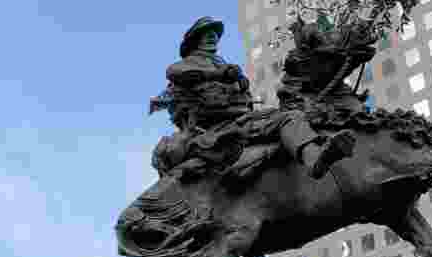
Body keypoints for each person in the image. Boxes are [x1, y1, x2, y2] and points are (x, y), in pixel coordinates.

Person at [151, 17, 355, 180]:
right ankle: (314, 159)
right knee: (288, 118)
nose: (212, 37)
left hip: (240, 120)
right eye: (205, 35)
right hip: (214, 130)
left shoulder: (221, 63)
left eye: (214, 34)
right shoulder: (189, 63)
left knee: (292, 114)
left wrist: (239, 84)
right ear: (194, 41)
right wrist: (218, 75)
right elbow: (174, 72)